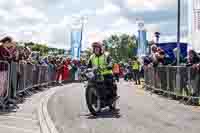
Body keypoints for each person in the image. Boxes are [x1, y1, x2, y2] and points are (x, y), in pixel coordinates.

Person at [88, 42, 119, 110]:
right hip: (96, 74)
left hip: (106, 73)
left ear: (100, 48)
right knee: (89, 82)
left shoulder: (106, 55)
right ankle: (92, 98)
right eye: (94, 48)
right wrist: (85, 69)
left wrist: (110, 65)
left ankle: (114, 97)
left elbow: (111, 61)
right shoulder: (92, 57)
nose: (96, 49)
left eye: (97, 48)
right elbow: (88, 66)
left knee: (110, 83)